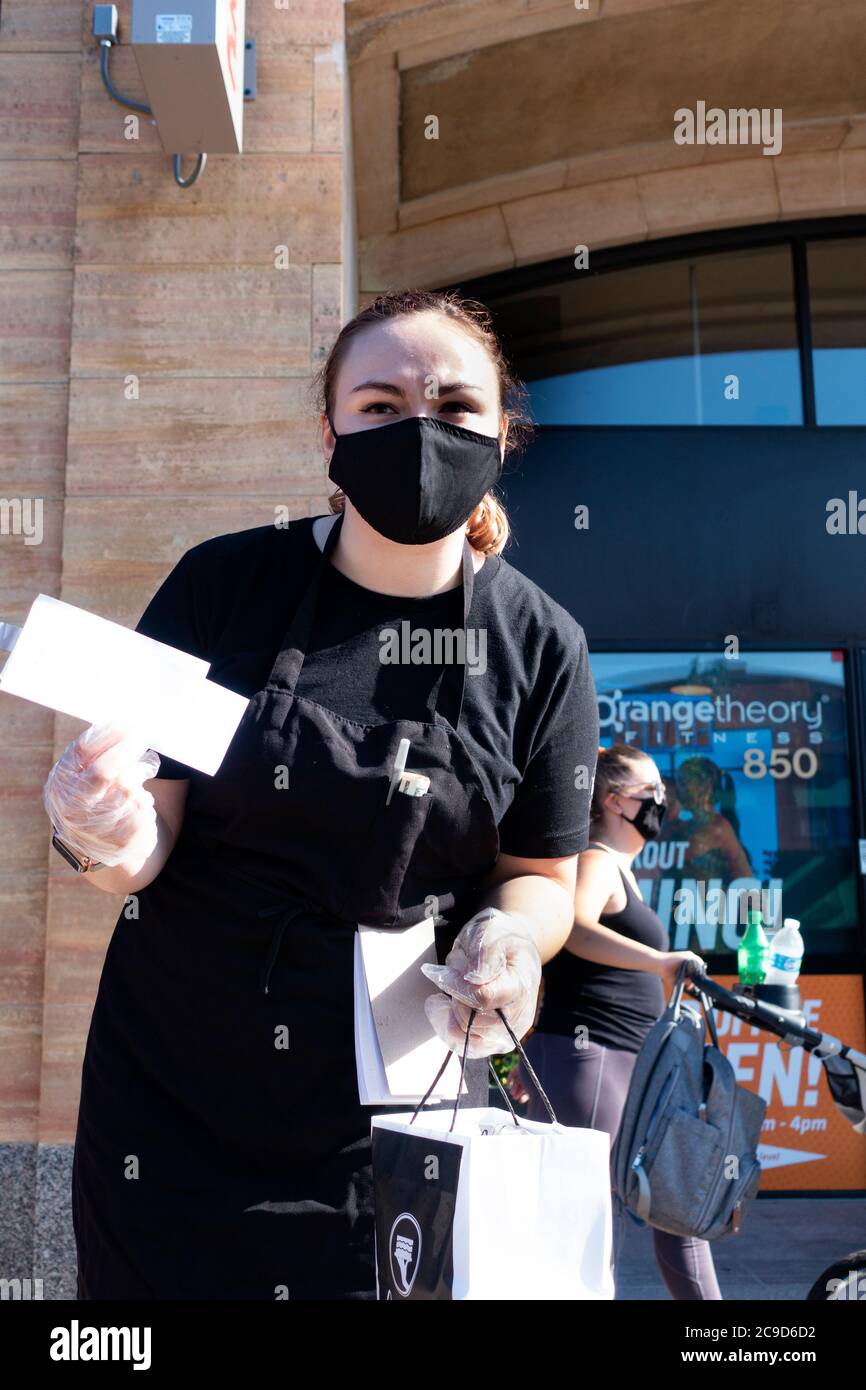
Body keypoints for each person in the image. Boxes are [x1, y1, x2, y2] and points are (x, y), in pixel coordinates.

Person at [44, 288, 600, 1300]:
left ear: (501, 436)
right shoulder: (223, 584)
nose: (418, 429)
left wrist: (512, 943)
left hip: (391, 1111)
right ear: (329, 431)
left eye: (454, 407)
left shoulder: (540, 644)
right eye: (380, 404)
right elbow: (143, 833)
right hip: (174, 1093)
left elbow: (540, 878)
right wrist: (97, 826)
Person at [510, 742, 723, 1300]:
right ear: (612, 801)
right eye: (650, 792)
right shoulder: (599, 860)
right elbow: (572, 928)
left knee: (677, 1208)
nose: (663, 802)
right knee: (587, 1222)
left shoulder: (619, 870)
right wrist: (658, 961)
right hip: (593, 1058)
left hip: (628, 1062)